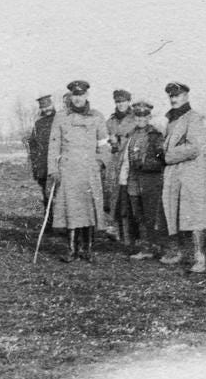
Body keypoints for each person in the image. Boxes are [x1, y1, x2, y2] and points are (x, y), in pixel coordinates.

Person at [47, 80, 108, 263]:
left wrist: (100, 163)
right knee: (71, 209)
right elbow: (54, 145)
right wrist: (53, 170)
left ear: (86, 95)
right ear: (71, 96)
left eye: (81, 95)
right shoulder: (61, 117)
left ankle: (87, 249)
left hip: (89, 171)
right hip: (68, 170)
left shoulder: (97, 116)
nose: (78, 98)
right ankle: (72, 249)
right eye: (75, 95)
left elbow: (104, 145)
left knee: (89, 210)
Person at [160, 82, 206, 273]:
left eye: (177, 95)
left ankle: (199, 258)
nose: (173, 99)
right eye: (171, 96)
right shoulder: (171, 119)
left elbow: (194, 147)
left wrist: (167, 155)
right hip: (173, 174)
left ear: (186, 96)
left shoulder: (193, 118)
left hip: (190, 174)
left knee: (194, 216)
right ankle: (179, 252)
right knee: (174, 212)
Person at [116, 100, 165, 260]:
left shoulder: (155, 135)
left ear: (149, 117)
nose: (141, 120)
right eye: (138, 116)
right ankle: (145, 247)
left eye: (144, 116)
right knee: (138, 215)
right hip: (133, 180)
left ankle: (156, 245)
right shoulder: (131, 134)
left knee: (151, 214)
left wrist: (146, 164)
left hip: (150, 181)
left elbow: (162, 159)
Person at [105, 89, 137, 242]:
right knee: (114, 197)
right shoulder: (110, 121)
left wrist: (119, 141)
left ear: (128, 102)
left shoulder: (135, 119)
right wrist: (110, 142)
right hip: (114, 163)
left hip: (129, 163)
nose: (120, 104)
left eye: (123, 101)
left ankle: (131, 233)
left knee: (129, 198)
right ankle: (115, 228)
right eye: (118, 102)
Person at [27, 94, 56, 230]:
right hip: (43, 166)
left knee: (60, 196)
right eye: (43, 107)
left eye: (48, 105)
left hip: (57, 164)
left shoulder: (60, 120)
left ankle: (62, 224)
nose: (46, 109)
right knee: (47, 195)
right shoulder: (38, 124)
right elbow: (33, 146)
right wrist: (36, 167)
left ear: (52, 105)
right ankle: (49, 223)